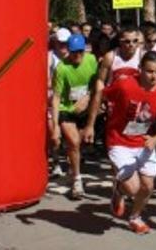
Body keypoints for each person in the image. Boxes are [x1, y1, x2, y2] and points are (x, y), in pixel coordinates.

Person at [105, 51, 156, 234]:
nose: (154, 76)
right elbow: (103, 94)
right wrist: (89, 123)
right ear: (140, 70)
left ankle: (135, 217)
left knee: (148, 187)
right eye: (150, 72)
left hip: (144, 143)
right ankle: (120, 189)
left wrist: (155, 139)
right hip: (119, 141)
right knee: (134, 188)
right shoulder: (125, 84)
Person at [51, 34, 100, 199]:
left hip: (86, 110)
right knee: (74, 142)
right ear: (68, 51)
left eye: (80, 52)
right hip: (67, 110)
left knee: (79, 146)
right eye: (73, 52)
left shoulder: (92, 60)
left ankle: (73, 166)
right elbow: (56, 97)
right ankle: (77, 180)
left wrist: (87, 97)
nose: (77, 55)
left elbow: (97, 84)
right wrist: (55, 125)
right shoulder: (61, 68)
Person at [47, 28, 71, 178]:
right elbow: (45, 80)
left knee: (70, 137)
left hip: (69, 102)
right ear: (55, 42)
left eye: (65, 43)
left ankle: (70, 163)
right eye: (60, 43)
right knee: (54, 135)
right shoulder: (49, 57)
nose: (63, 46)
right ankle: (56, 163)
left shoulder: (74, 56)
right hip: (52, 100)